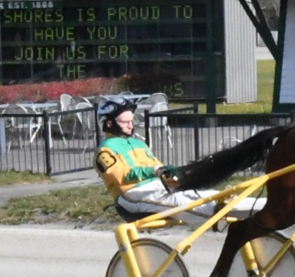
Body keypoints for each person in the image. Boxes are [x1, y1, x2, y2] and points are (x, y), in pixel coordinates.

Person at [93, 97, 264, 226]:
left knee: (203, 194)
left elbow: (158, 169)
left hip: (158, 186)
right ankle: (217, 215)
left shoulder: (139, 143)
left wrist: (174, 178)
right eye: (125, 122)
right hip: (131, 195)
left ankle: (261, 206)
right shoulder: (105, 150)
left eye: (132, 121)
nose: (131, 125)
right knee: (179, 204)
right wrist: (155, 171)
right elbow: (122, 176)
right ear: (109, 123)